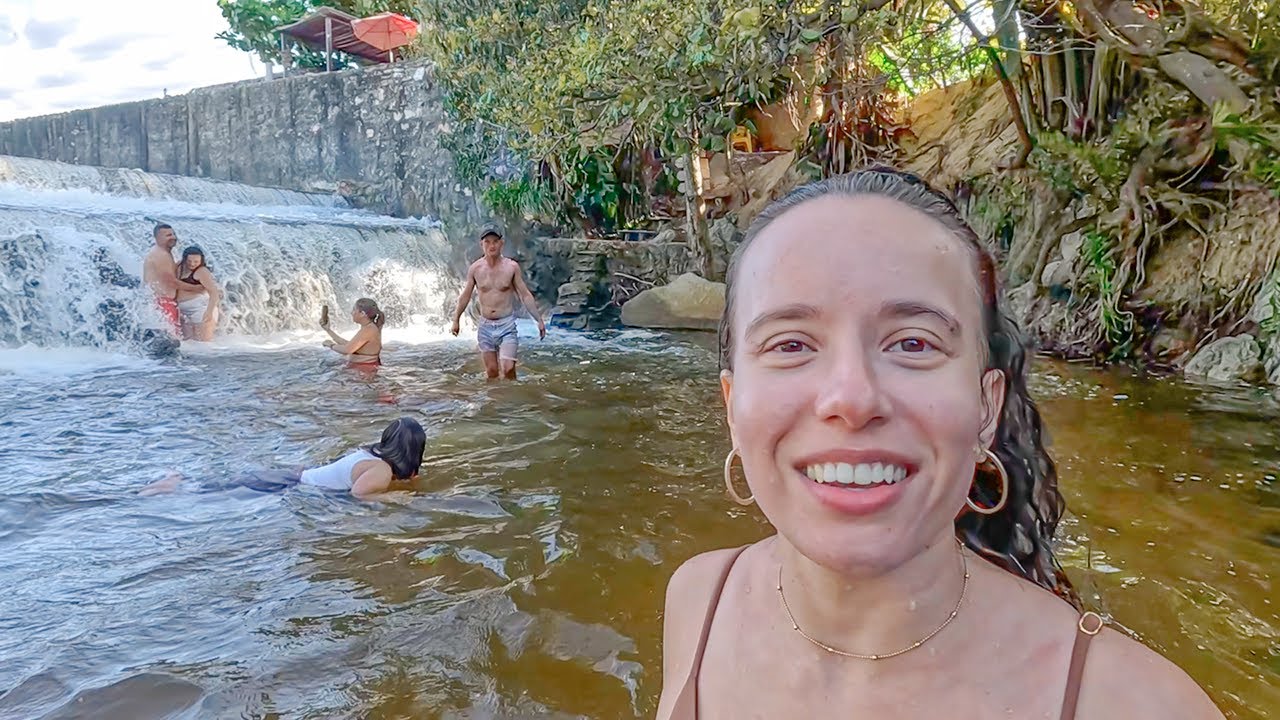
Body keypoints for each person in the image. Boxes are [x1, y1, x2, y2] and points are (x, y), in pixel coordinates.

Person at [656, 168, 1224, 720]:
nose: (852, 398)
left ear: (986, 407)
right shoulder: (700, 599)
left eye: (912, 343)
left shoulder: (1133, 703)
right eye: (790, 345)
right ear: (732, 405)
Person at [140, 416, 426, 499]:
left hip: (295, 476)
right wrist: (394, 497)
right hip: (293, 486)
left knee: (231, 484)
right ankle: (176, 486)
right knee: (223, 490)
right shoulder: (382, 471)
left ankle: (180, 482)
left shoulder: (373, 454)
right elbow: (359, 495)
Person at [449, 224, 546, 380]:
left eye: (495, 241)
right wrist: (456, 320)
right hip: (485, 326)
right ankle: (494, 401)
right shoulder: (476, 269)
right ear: (481, 244)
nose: (491, 245)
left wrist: (539, 320)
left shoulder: (511, 267)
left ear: (502, 243)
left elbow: (525, 295)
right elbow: (465, 296)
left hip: (506, 324)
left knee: (508, 369)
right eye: (487, 241)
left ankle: (513, 398)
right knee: (492, 372)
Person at [141, 223, 181, 335]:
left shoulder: (162, 253)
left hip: (160, 302)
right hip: (163, 304)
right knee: (171, 340)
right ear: (157, 238)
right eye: (168, 235)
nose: (173, 237)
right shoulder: (161, 255)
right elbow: (172, 281)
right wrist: (199, 288)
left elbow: (166, 274)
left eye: (173, 234)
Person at [174, 245, 221, 341]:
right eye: (189, 261)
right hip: (183, 311)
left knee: (203, 344)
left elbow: (214, 292)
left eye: (196, 262)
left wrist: (209, 311)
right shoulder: (179, 266)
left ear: (201, 261)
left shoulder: (202, 271)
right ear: (184, 259)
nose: (192, 264)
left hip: (201, 309)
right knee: (190, 344)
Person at [321, 298, 384, 367]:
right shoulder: (368, 327)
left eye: (354, 310)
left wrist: (330, 345)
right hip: (362, 369)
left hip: (364, 372)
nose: (351, 313)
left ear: (362, 313)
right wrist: (328, 330)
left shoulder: (369, 330)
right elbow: (349, 345)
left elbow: (347, 350)